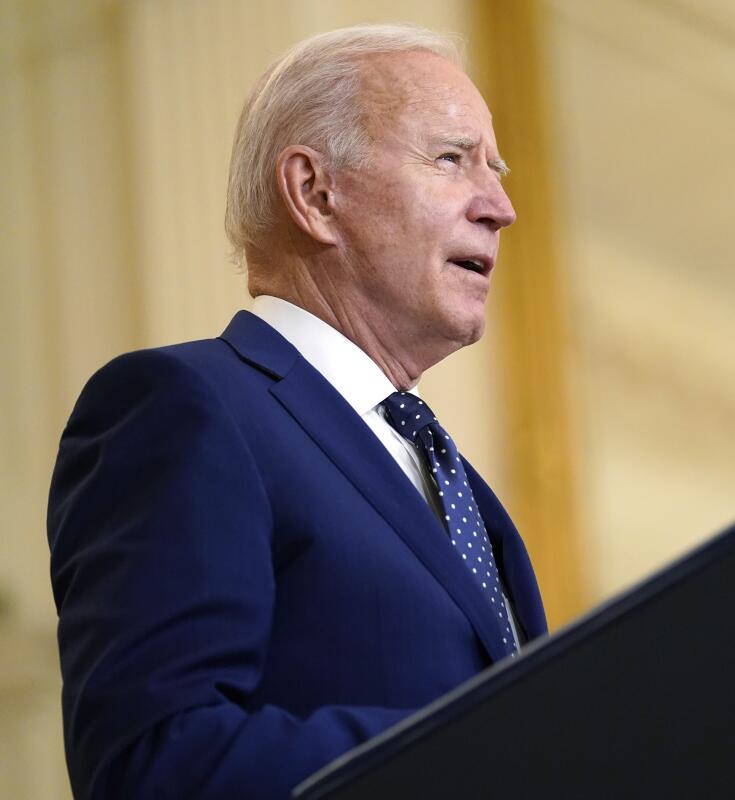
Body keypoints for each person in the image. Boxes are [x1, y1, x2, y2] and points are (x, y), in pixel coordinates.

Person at [46, 24, 546, 800]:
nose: (502, 207)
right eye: (453, 159)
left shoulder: (452, 478)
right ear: (315, 194)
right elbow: (150, 763)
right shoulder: (189, 408)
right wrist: (480, 750)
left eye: (497, 168)